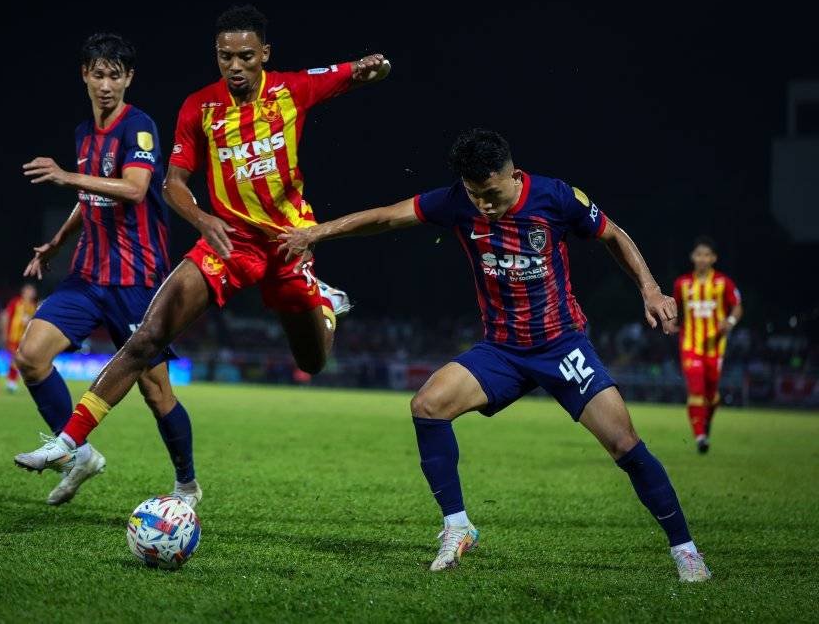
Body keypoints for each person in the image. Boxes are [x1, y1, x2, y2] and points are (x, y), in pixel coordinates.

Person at [276, 129, 711, 582]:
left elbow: (614, 235)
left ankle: (687, 553)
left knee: (625, 444)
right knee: (427, 405)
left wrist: (650, 289)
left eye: (491, 193)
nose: (483, 204)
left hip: (561, 346)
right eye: (473, 195)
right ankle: (457, 526)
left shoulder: (557, 197)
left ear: (515, 176)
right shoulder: (455, 202)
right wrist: (316, 233)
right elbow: (386, 218)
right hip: (502, 350)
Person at [13, 5, 390, 484]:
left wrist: (370, 69)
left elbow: (347, 74)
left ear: (264, 55)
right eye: (225, 57)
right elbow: (172, 184)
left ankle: (326, 305)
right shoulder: (200, 106)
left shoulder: (290, 90)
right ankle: (71, 442)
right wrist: (202, 216)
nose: (235, 66)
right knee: (147, 338)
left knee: (311, 362)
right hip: (228, 242)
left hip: (289, 242)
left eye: (246, 57)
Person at [13, 33, 195, 508]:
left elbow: (134, 189)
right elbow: (89, 196)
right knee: (30, 356)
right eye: (98, 73)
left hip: (136, 282)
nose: (106, 84)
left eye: (116, 74)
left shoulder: (140, 127)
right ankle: (80, 455)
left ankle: (186, 485)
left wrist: (64, 175)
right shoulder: (82, 133)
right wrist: (57, 242)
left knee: (157, 394)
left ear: (129, 78)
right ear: (85, 76)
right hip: (88, 276)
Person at [672, 236, 743, 453]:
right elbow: (675, 309)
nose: (702, 258)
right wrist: (671, 322)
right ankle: (700, 437)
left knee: (712, 396)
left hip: (715, 347)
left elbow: (737, 307)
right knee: (696, 390)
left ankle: (705, 423)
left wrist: (729, 322)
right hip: (690, 345)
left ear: (713, 258)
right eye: (698, 254)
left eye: (706, 255)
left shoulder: (724, 283)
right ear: (692, 257)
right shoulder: (682, 284)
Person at [0, 283, 38, 392]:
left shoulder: (33, 306)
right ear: (24, 292)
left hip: (25, 339)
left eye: (33, 291)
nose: (32, 293)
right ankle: (11, 381)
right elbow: (6, 317)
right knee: (15, 360)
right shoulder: (16, 302)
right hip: (13, 337)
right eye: (30, 291)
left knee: (20, 361)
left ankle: (12, 381)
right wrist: (4, 333)